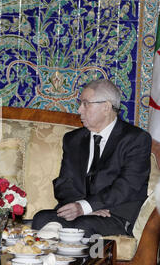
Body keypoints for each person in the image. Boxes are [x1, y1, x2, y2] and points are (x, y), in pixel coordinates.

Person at [32, 79, 151, 237]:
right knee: (41, 218)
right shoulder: (73, 139)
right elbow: (64, 182)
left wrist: (87, 206)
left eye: (86, 103)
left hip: (115, 214)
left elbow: (127, 186)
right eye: (80, 104)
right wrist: (79, 207)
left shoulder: (136, 139)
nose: (80, 110)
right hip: (81, 213)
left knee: (81, 228)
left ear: (106, 107)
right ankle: (51, 261)